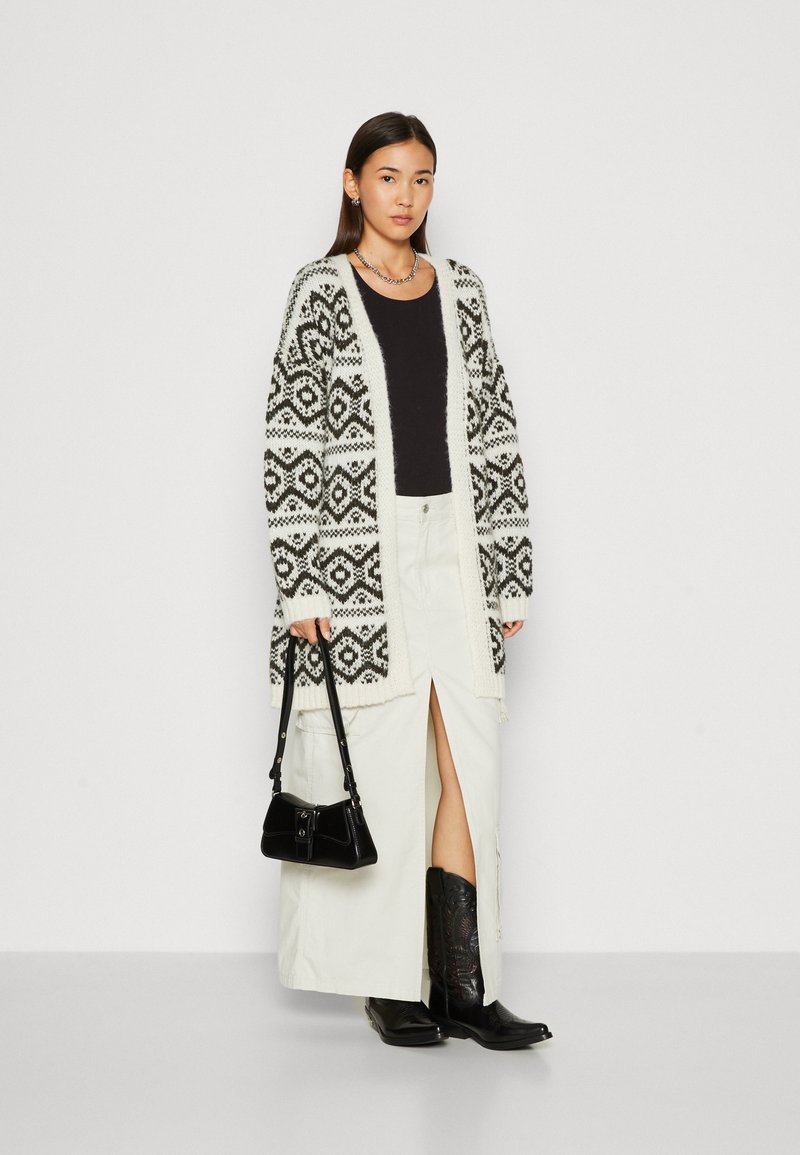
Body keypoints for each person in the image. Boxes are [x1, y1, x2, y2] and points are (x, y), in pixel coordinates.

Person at [263, 111, 552, 1050]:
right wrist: (303, 583)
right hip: (362, 556)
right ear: (353, 184)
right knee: (385, 764)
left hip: (455, 550)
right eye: (388, 177)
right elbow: (290, 437)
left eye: (422, 179)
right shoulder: (319, 291)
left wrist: (509, 571)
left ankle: (462, 984)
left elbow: (497, 428)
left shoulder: (461, 289)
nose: (406, 196)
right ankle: (391, 983)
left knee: (467, 759)